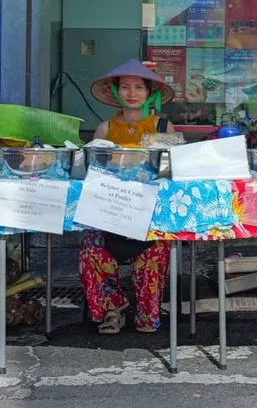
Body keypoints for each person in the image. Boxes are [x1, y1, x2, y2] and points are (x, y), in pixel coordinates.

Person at [80, 59, 176, 334]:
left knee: (157, 251)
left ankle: (147, 313)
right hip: (112, 215)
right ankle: (113, 309)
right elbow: (94, 174)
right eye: (125, 87)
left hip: (151, 217)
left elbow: (172, 173)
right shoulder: (104, 130)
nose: (131, 93)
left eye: (138, 88)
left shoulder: (162, 127)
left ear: (149, 93)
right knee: (90, 247)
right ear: (116, 91)